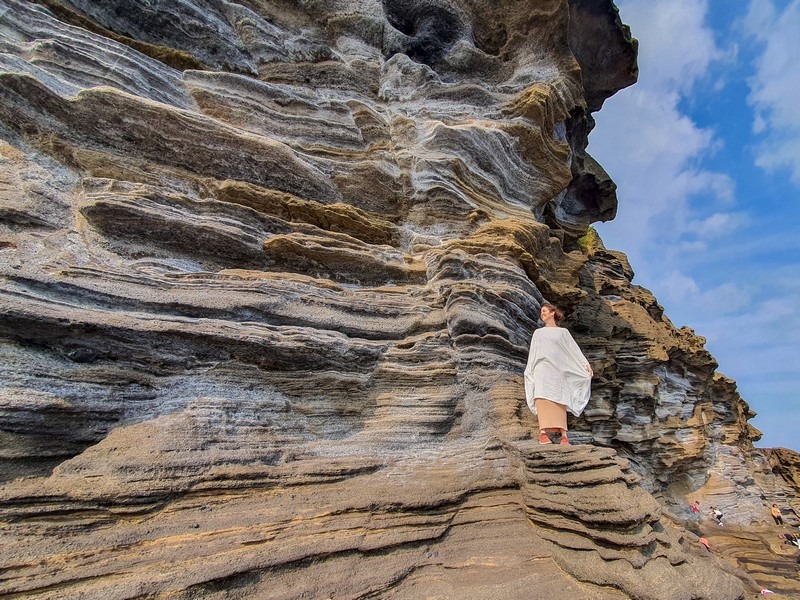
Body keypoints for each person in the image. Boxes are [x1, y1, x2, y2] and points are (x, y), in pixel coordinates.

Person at [524, 303, 593, 445]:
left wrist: (586, 365)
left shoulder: (563, 332)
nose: (542, 314)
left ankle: (564, 436)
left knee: (560, 398)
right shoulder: (538, 333)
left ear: (552, 313)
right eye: (541, 312)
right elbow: (533, 352)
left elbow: (574, 350)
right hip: (542, 369)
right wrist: (529, 369)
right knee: (542, 396)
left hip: (557, 371)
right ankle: (543, 433)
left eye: (544, 311)